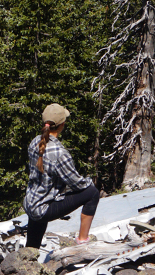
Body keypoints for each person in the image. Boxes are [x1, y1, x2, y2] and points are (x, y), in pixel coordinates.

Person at [23, 103, 100, 249]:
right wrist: (89, 182)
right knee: (92, 193)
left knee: (36, 225)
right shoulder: (59, 152)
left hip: (31, 203)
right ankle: (83, 241)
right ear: (61, 125)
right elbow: (77, 184)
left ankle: (29, 254)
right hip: (43, 208)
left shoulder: (36, 142)